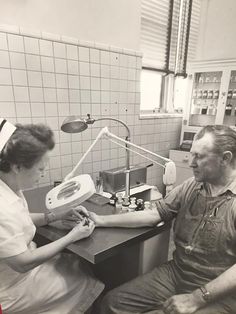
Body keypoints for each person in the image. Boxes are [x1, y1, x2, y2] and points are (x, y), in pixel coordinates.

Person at [89, 125, 236, 314]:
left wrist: (196, 298)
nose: (191, 163)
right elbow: (155, 214)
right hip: (178, 272)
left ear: (225, 158)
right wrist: (101, 220)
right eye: (192, 154)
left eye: (199, 156)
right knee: (113, 303)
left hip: (219, 290)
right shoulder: (192, 186)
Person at [0, 119, 104, 314]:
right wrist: (73, 235)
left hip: (20, 269)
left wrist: (54, 216)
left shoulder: (9, 185)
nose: (43, 173)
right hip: (11, 287)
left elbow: (21, 219)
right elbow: (24, 263)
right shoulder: (2, 206)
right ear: (17, 167)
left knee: (76, 264)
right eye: (40, 169)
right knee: (85, 280)